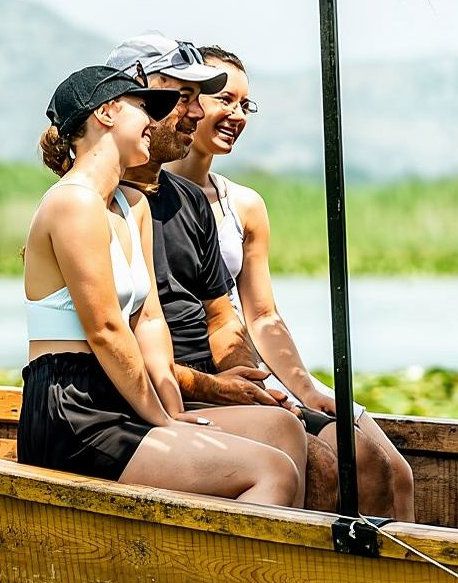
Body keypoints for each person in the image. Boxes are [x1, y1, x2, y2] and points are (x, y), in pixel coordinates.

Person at [20, 64, 304, 506]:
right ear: (108, 113)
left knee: (282, 428)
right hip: (73, 408)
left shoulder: (133, 205)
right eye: (144, 108)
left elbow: (148, 320)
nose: (156, 122)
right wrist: (163, 422)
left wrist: (172, 409)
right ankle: (227, 575)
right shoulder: (72, 203)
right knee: (270, 471)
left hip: (128, 396)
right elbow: (107, 331)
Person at [107, 32, 359, 512]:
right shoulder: (96, 203)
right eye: (185, 100)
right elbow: (119, 342)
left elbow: (223, 317)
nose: (196, 113)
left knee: (340, 458)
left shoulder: (188, 203)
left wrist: (256, 384)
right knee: (290, 444)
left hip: (192, 384)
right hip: (138, 397)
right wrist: (216, 388)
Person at [166, 45, 415, 520]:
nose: (236, 115)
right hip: (194, 369)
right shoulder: (146, 198)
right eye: (224, 99)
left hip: (254, 362)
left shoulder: (244, 204)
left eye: (245, 105)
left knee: (391, 469)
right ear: (188, 101)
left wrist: (304, 387)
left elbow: (261, 316)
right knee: (343, 464)